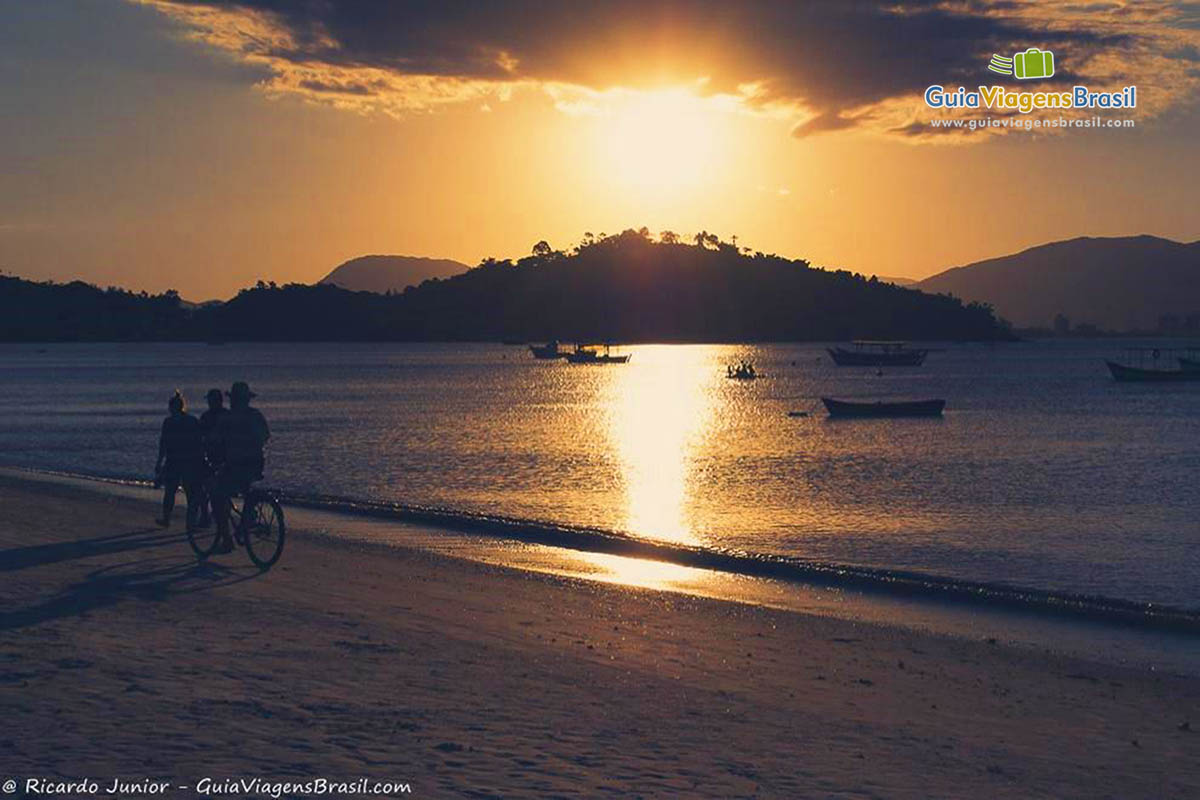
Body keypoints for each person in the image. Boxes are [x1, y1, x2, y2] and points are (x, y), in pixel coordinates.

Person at [210, 381, 270, 553]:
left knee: (217, 494)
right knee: (246, 487)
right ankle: (248, 517)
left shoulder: (227, 418)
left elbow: (215, 439)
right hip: (256, 464)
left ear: (233, 400)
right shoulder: (256, 415)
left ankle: (227, 540)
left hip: (235, 465)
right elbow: (265, 436)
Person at [154, 390, 203, 528]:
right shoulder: (191, 421)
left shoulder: (169, 422)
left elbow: (163, 443)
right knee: (189, 492)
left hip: (174, 461)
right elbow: (199, 441)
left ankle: (167, 519)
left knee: (171, 492)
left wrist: (159, 462)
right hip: (188, 460)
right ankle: (192, 520)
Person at [194, 388, 228, 528]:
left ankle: (208, 517)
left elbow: (199, 439)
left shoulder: (209, 417)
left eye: (210, 400)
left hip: (218, 459)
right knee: (206, 488)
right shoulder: (225, 415)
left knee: (205, 488)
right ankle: (208, 515)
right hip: (219, 458)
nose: (209, 403)